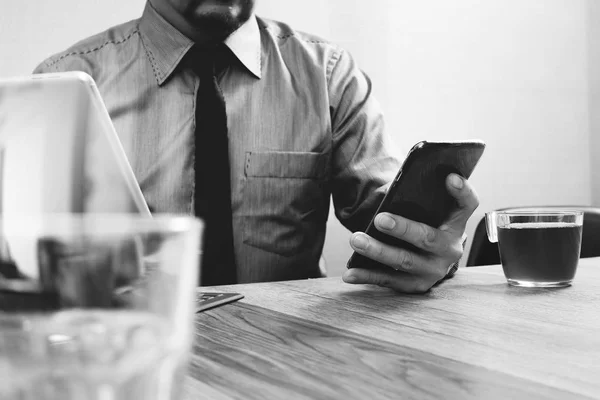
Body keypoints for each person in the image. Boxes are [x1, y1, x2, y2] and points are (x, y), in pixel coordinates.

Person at [34, 0, 479, 293]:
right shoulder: (64, 85)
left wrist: (429, 248)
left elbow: (391, 227)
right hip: (130, 359)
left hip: (289, 360)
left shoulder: (328, 74)